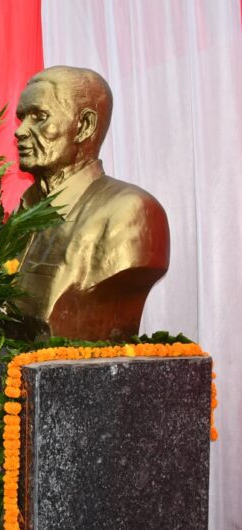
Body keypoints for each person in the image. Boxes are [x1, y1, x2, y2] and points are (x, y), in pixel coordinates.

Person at [14, 65, 170, 341]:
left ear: (84, 126)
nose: (21, 131)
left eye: (39, 117)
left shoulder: (132, 211)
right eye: (22, 118)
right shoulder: (20, 215)